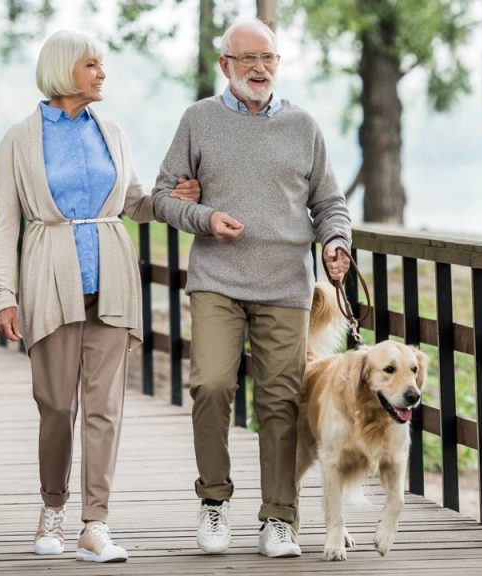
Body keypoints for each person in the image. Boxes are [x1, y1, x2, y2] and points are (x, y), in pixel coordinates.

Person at [0, 30, 199, 562]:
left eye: (101, 65)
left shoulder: (113, 131)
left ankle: (95, 524)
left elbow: (133, 202)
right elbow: (6, 224)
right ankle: (53, 507)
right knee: (56, 405)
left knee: (105, 407)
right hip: (48, 279)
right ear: (65, 70)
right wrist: (4, 295)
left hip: (111, 276)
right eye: (92, 65)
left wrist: (171, 199)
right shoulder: (20, 139)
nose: (102, 73)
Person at [151, 17, 353, 559]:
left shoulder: (304, 126)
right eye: (248, 60)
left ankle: (279, 518)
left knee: (281, 400)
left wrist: (336, 241)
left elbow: (329, 203)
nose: (260, 68)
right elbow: (163, 197)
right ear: (226, 66)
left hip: (287, 284)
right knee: (212, 385)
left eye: (268, 58)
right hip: (217, 278)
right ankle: (213, 502)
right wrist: (206, 217)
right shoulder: (199, 120)